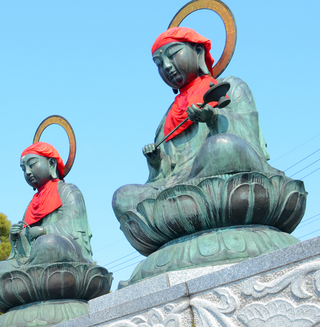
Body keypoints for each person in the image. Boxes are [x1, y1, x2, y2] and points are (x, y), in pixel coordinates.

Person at [112, 26, 282, 218]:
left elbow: (249, 143)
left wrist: (213, 119)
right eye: (159, 63)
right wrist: (156, 161)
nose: (166, 66)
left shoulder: (229, 88)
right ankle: (184, 206)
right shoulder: (170, 115)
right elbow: (164, 175)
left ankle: (188, 204)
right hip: (179, 187)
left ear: (198, 51)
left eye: (173, 54)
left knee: (222, 147)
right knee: (123, 198)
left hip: (221, 179)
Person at [0, 141, 94, 280]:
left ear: (51, 164)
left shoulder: (68, 191)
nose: (27, 172)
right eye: (23, 169)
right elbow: (25, 246)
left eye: (32, 165)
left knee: (46, 244)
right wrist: (17, 237)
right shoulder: (32, 204)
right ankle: (31, 278)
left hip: (65, 255)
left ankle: (32, 278)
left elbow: (74, 226)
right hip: (34, 261)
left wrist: (43, 231)